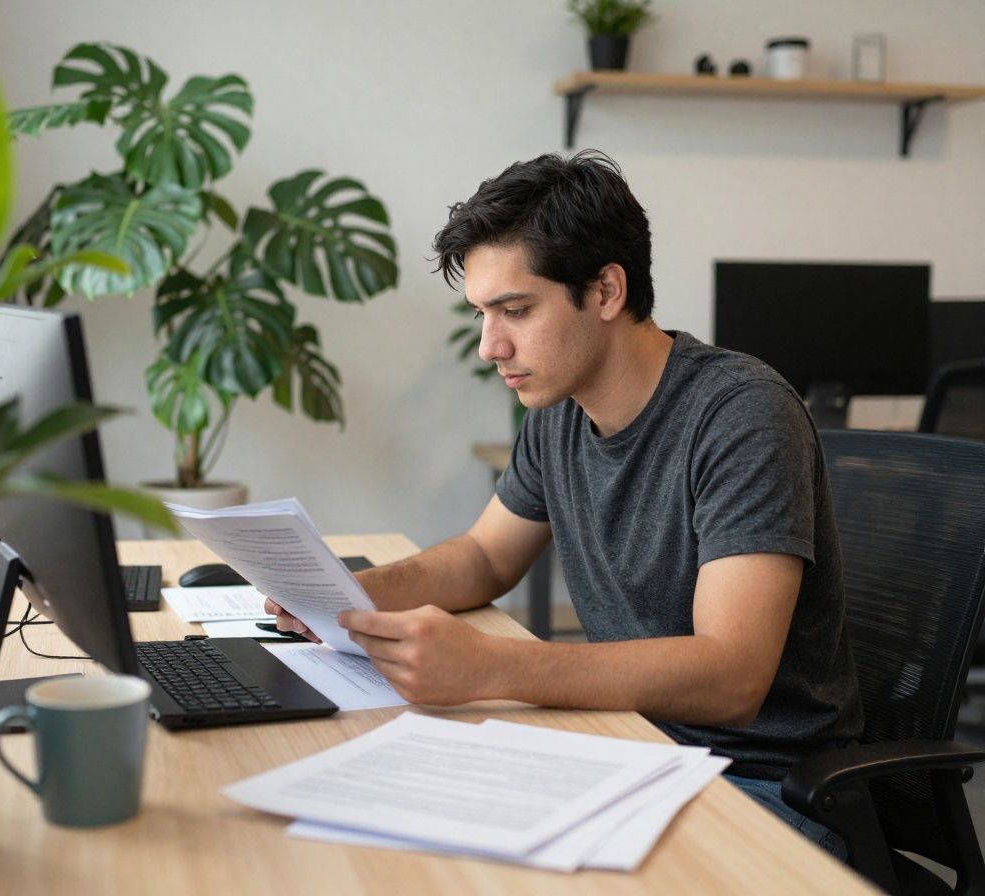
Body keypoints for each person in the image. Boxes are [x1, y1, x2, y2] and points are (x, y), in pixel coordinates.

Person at [265, 150, 863, 858]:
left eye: (515, 310)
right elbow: (485, 557)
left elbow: (731, 676)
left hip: (765, 787)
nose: (491, 345)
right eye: (484, 314)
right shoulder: (558, 410)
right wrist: (347, 596)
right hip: (631, 749)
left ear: (607, 290)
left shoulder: (740, 414)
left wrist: (493, 667)